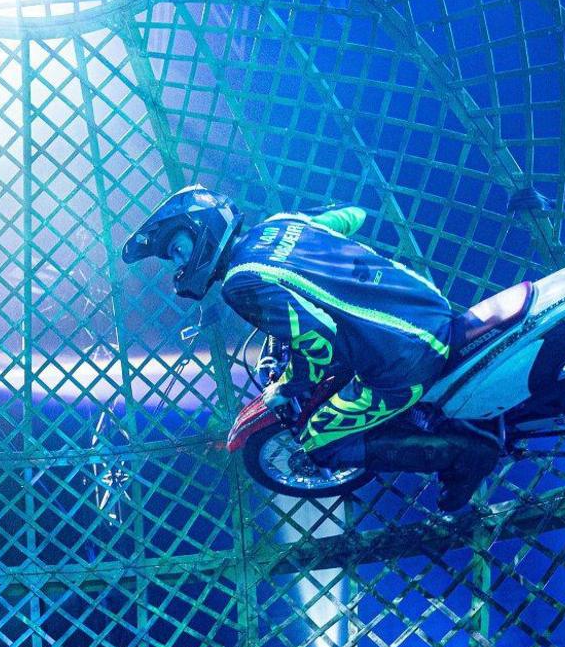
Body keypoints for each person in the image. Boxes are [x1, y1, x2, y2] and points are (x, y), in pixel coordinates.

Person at [122, 186, 497, 511]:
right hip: (429, 310)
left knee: (322, 439)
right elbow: (352, 217)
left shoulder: (239, 282)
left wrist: (283, 388)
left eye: (177, 247)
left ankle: (464, 457)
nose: (178, 262)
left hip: (401, 359)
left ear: (201, 229)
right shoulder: (281, 224)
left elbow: (316, 345)